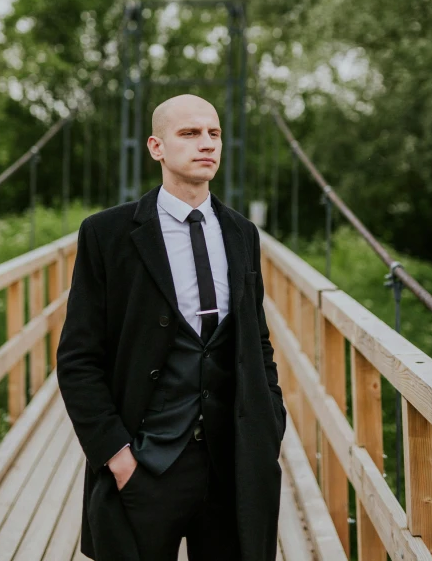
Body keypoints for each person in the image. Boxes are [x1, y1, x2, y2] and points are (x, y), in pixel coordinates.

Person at [56, 93, 286, 561]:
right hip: (144, 466)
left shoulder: (242, 232)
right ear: (156, 147)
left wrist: (270, 426)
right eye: (190, 133)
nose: (207, 144)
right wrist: (117, 457)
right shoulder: (106, 234)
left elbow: (256, 341)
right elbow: (78, 358)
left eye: (214, 133)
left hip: (234, 467)